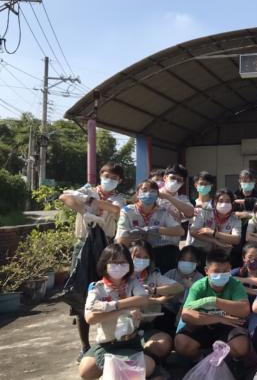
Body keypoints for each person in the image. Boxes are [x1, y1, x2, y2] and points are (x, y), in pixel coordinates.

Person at [59, 162, 126, 361]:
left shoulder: (119, 198)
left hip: (106, 247)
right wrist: (84, 210)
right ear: (100, 175)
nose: (109, 180)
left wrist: (89, 201)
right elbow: (64, 197)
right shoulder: (88, 189)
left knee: (110, 292)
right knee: (81, 293)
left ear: (120, 180)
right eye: (106, 175)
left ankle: (110, 341)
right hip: (83, 245)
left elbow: (116, 209)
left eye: (114, 178)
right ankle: (84, 346)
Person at [78, 244, 154, 379]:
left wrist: (113, 305)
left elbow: (143, 299)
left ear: (129, 264)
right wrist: (123, 311)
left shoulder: (133, 282)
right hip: (107, 344)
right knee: (85, 371)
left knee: (146, 367)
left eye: (123, 262)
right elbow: (90, 318)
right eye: (113, 262)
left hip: (130, 342)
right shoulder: (97, 288)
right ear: (104, 264)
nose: (118, 266)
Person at [174, 249, 252, 377]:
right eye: (216, 271)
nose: (221, 275)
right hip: (204, 325)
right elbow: (186, 315)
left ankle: (234, 361)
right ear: (206, 271)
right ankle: (199, 359)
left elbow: (244, 310)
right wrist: (218, 318)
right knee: (181, 343)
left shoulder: (235, 284)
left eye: (225, 271)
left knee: (241, 346)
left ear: (230, 269)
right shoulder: (199, 286)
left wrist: (214, 301)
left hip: (229, 325)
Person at [128, 239, 184, 362]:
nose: (141, 260)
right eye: (137, 256)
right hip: (122, 328)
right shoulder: (120, 277)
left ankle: (145, 359)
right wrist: (156, 301)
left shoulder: (153, 276)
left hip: (145, 327)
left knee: (163, 344)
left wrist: (154, 290)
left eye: (145, 257)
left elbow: (178, 287)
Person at [115, 180, 185, 252]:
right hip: (134, 252)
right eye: (144, 190)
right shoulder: (127, 211)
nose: (148, 193)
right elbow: (120, 239)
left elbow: (180, 231)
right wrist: (132, 238)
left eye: (153, 191)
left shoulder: (162, 212)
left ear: (157, 195)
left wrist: (157, 230)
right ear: (137, 194)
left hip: (155, 251)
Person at [156, 164, 195, 273]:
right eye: (172, 178)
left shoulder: (182, 199)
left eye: (179, 180)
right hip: (152, 246)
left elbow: (190, 212)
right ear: (165, 178)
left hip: (171, 248)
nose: (175, 182)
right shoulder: (153, 194)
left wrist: (168, 197)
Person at [158, 246, 203, 335]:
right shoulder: (171, 274)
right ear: (177, 260)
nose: (186, 263)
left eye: (191, 260)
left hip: (188, 313)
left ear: (198, 263)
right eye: (183, 259)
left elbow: (204, 295)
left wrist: (192, 286)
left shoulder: (200, 278)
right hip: (169, 310)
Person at [188, 189, 241, 255]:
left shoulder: (235, 218)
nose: (224, 204)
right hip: (200, 251)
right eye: (221, 201)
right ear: (215, 202)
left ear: (232, 203)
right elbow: (193, 231)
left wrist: (214, 233)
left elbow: (236, 239)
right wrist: (214, 240)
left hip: (221, 255)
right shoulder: (205, 212)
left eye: (228, 201)